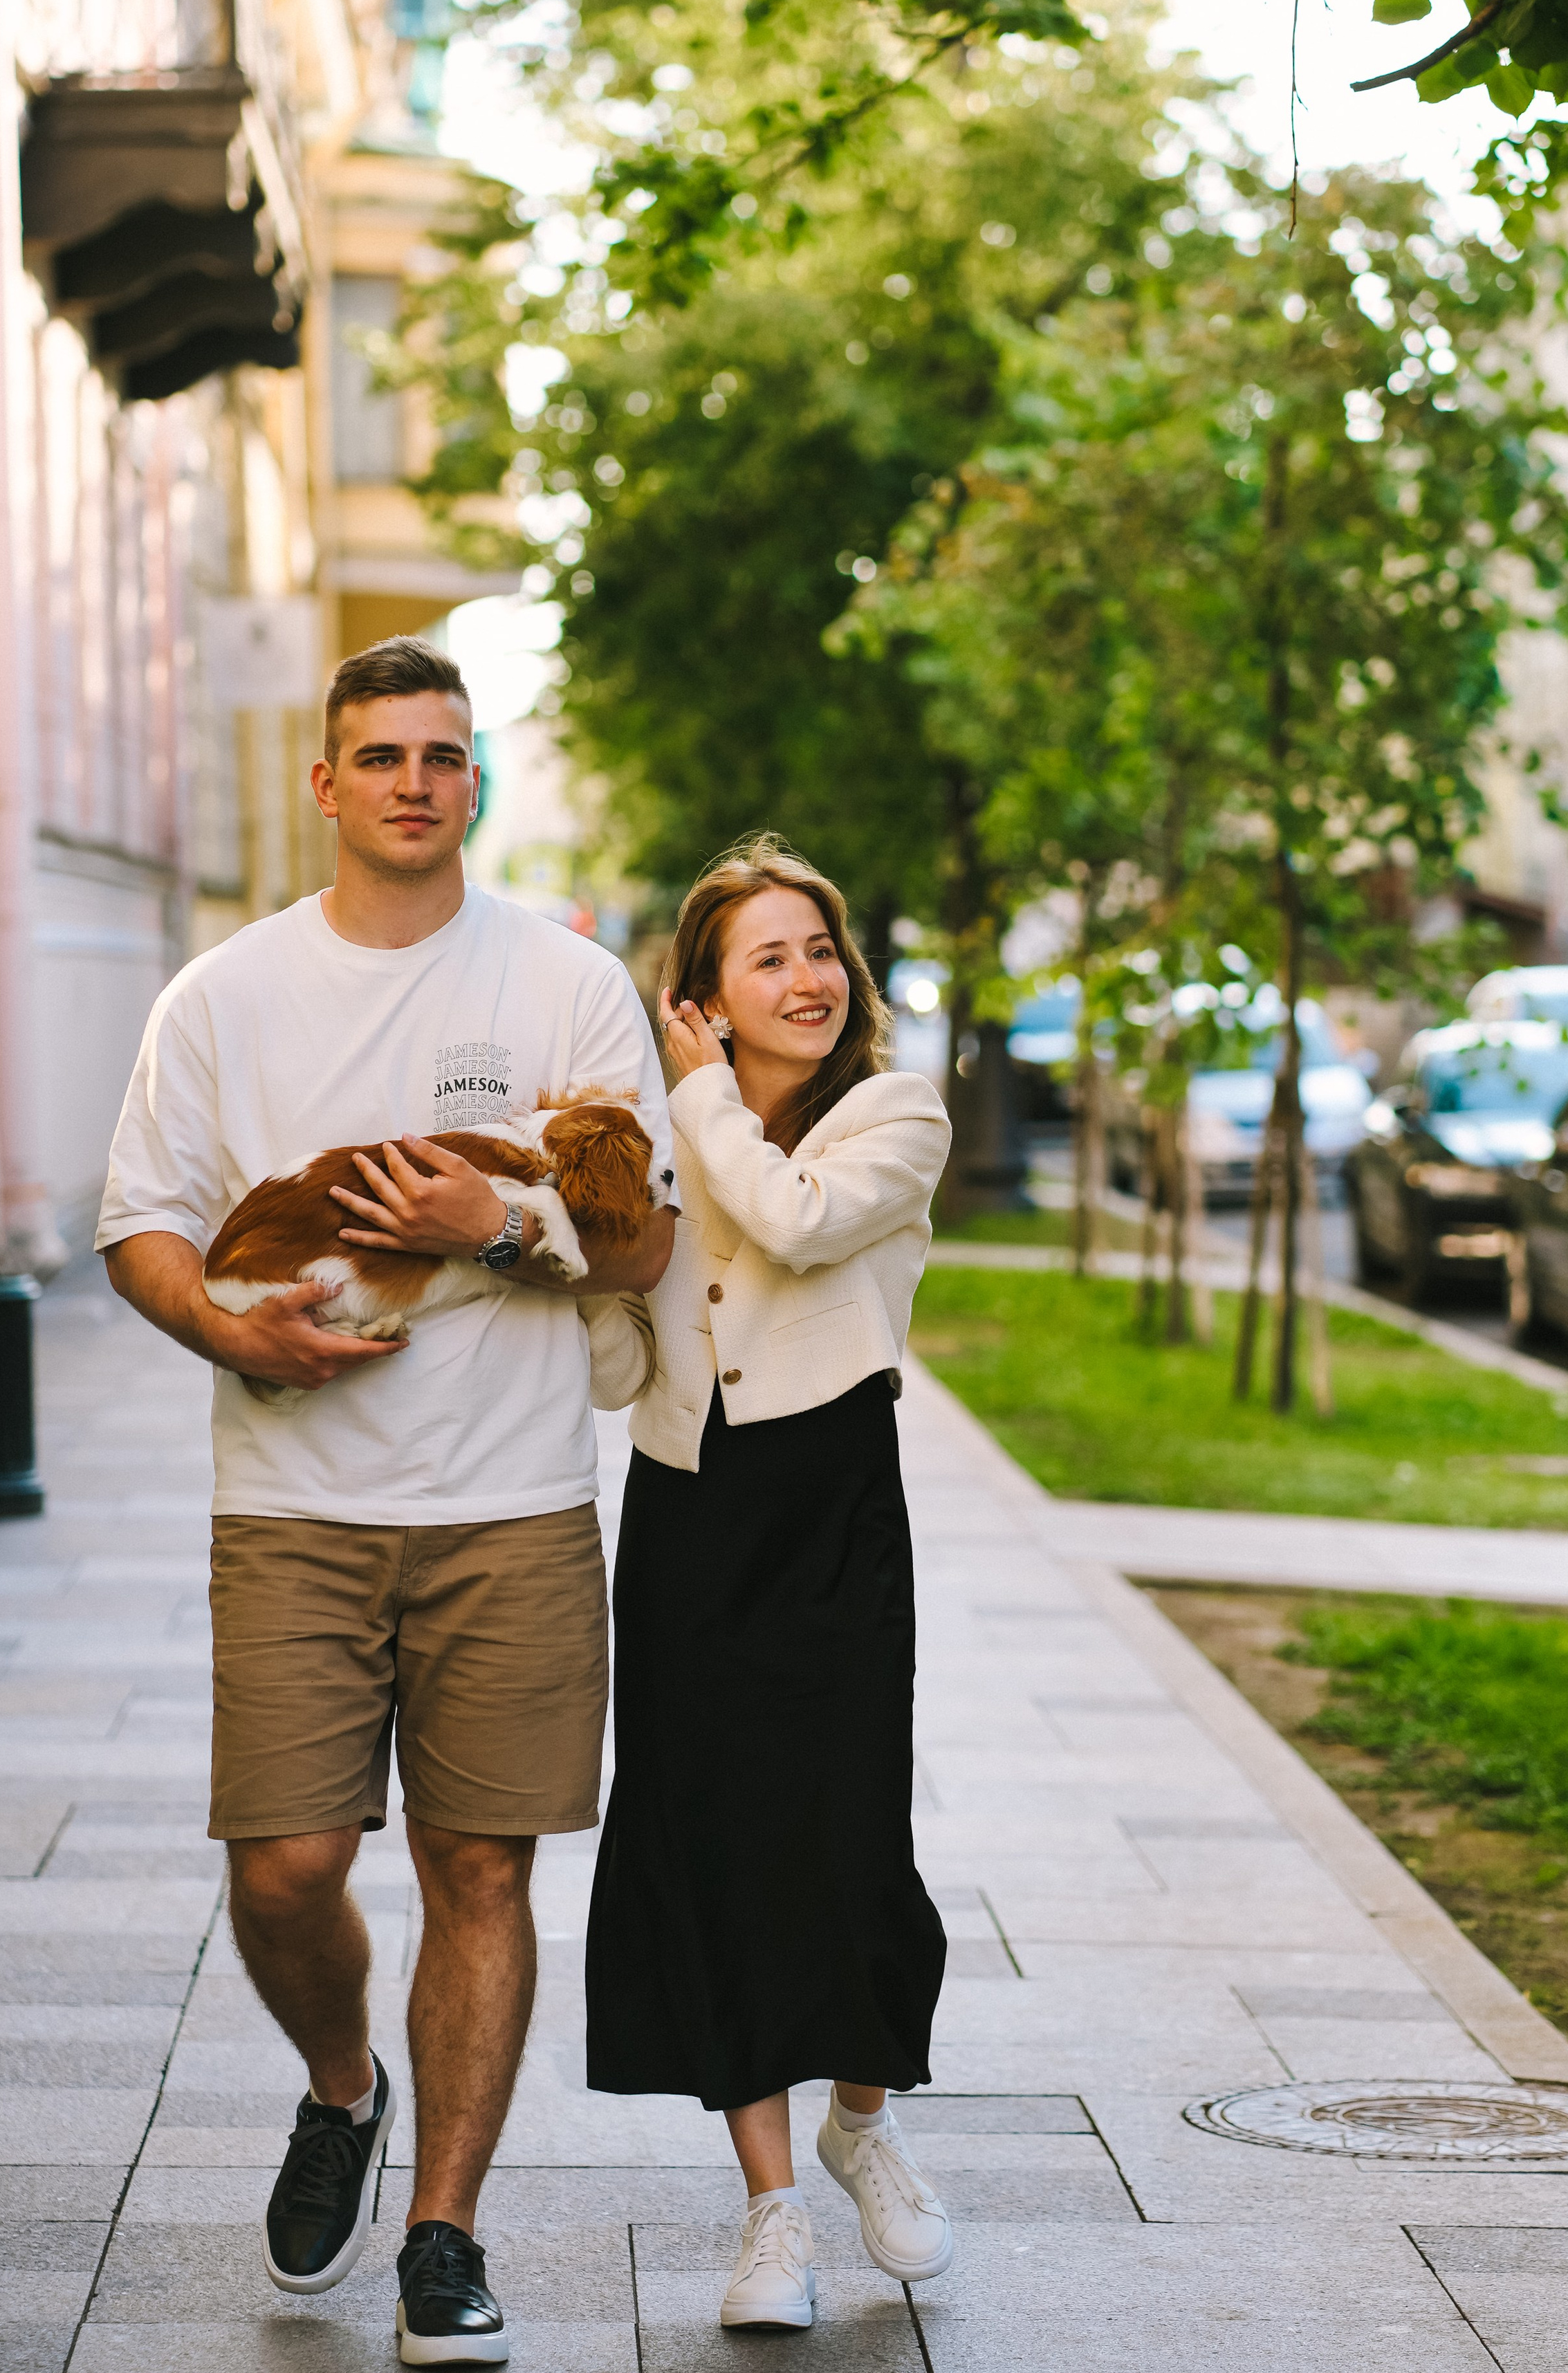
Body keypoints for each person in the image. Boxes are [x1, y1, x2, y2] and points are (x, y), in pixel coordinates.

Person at [96, 635, 674, 2368]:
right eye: (383, 754)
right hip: (289, 1501)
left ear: (472, 784)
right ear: (327, 782)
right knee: (282, 1867)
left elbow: (638, 1241)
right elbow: (143, 1223)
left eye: (444, 754)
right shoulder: (223, 996)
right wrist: (219, 1320)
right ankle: (342, 2087)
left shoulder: (567, 990)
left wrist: (488, 1230)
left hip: (510, 1505)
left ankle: (444, 2231)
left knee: (477, 1866)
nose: (415, 781)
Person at [585, 834, 954, 2332]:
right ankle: (770, 2212)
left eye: (819, 950)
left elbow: (794, 1220)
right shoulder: (658, 1136)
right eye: (768, 957)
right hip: (687, 1517)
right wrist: (596, 1261)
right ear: (707, 996)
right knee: (710, 1847)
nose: (807, 977)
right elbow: (624, 1362)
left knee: (849, 1836)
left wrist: (692, 1101)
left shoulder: (893, 1110)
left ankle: (860, 2121)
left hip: (833, 1515)